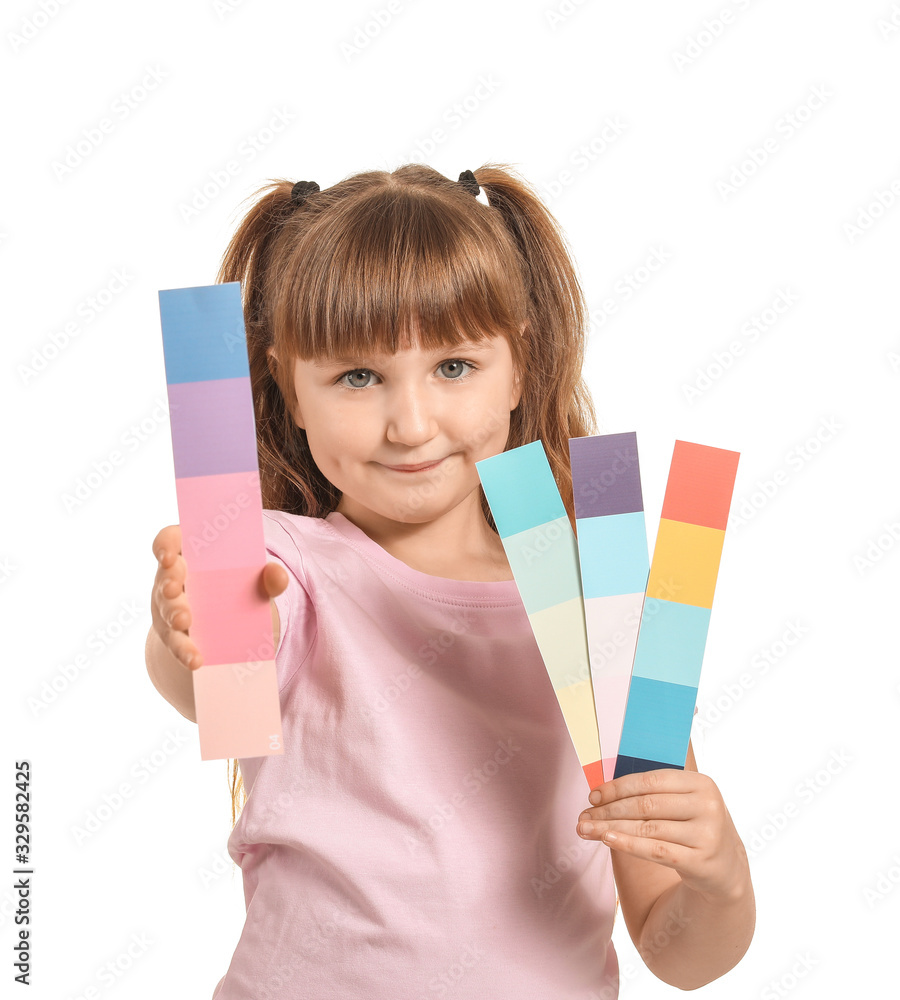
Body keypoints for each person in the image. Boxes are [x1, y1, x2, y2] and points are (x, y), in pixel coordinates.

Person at [145, 163, 754, 999]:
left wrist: (720, 876)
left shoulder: (602, 602)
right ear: (288, 387)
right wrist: (196, 628)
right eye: (358, 377)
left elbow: (680, 954)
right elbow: (221, 669)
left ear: (518, 366)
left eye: (456, 367)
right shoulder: (289, 562)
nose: (412, 423)